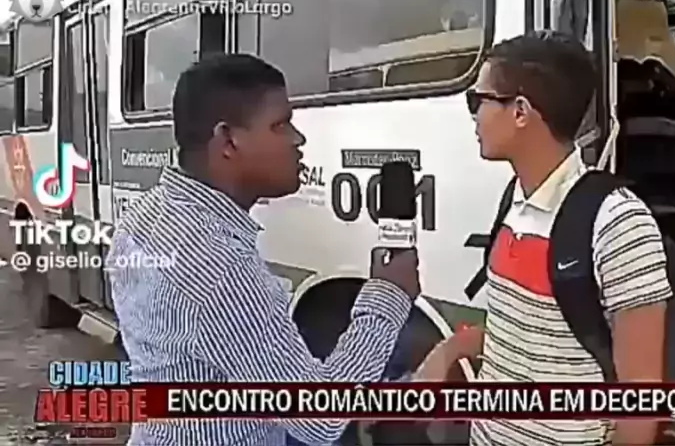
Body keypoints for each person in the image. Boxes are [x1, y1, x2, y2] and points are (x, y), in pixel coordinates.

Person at [105, 54, 461, 445]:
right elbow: (318, 418)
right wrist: (389, 295)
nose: (298, 139)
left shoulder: (143, 216)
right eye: (280, 125)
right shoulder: (219, 267)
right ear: (228, 140)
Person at [419, 31, 674, 445]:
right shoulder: (513, 200)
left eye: (478, 100)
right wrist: (451, 350)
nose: (474, 115)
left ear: (521, 111)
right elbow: (524, 339)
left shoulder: (618, 223)